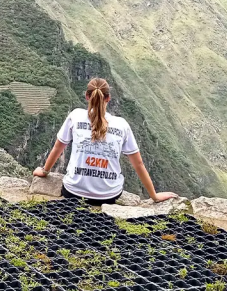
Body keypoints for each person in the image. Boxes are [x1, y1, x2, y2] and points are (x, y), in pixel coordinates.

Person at [33, 78, 177, 205]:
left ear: (87, 96)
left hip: (73, 192)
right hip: (109, 195)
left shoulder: (75, 116)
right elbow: (138, 164)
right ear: (108, 98)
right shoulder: (122, 125)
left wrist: (45, 171)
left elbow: (58, 147)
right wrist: (154, 196)